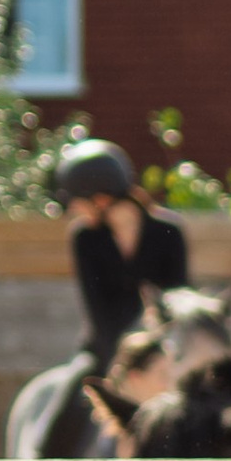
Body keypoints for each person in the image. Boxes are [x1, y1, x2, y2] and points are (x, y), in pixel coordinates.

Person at [56, 141, 191, 371]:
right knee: (67, 389)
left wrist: (154, 352)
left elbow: (177, 297)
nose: (73, 210)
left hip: (165, 349)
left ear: (101, 199)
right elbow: (98, 312)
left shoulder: (169, 232)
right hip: (107, 352)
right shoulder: (85, 238)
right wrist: (123, 363)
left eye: (77, 201)